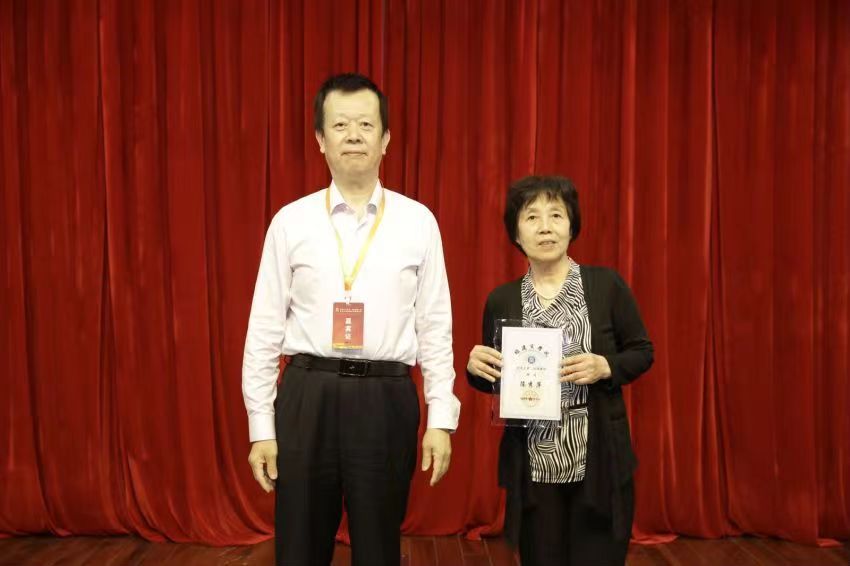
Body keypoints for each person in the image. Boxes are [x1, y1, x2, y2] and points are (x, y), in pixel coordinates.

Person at [242, 73, 459, 566]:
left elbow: (435, 326)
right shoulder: (291, 221)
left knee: (379, 547)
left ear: (386, 138)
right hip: (307, 396)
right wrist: (261, 426)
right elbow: (264, 329)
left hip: (385, 398)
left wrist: (441, 419)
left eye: (366, 124)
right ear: (320, 140)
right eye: (340, 125)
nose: (354, 135)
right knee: (299, 548)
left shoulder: (418, 222)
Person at [466, 175, 653, 566]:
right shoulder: (502, 300)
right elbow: (495, 379)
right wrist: (475, 369)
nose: (545, 227)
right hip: (534, 464)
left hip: (597, 459)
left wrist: (606, 365)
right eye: (532, 217)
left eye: (556, 215)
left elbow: (642, 352)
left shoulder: (606, 286)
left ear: (572, 226)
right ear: (516, 233)